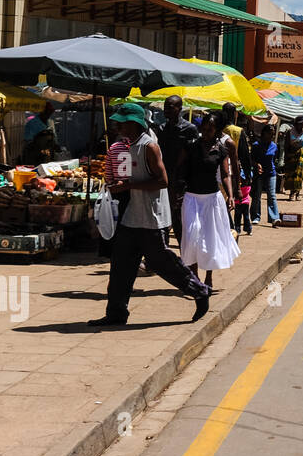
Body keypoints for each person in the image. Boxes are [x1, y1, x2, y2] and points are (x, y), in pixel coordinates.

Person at [91, 103, 210, 326]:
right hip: (130, 217)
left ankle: (199, 291)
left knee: (162, 261)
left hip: (151, 217)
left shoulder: (149, 146)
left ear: (134, 124)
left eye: (123, 122)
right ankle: (116, 312)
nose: (118, 125)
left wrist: (127, 187)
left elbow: (162, 181)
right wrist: (119, 185)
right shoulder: (126, 146)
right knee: (120, 266)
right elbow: (128, 177)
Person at [179, 114, 239, 291]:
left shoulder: (220, 150)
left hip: (212, 200)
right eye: (203, 129)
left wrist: (231, 195)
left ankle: (208, 277)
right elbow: (179, 169)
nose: (205, 133)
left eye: (209, 130)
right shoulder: (190, 147)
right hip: (191, 199)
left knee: (210, 239)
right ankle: (195, 277)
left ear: (216, 131)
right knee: (191, 237)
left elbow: (226, 174)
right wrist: (177, 191)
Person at [157, 95, 198, 246]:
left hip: (182, 183)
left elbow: (194, 157)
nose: (166, 109)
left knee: (180, 222)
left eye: (170, 106)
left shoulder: (190, 129)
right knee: (163, 221)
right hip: (164, 180)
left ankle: (186, 259)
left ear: (180, 109)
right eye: (165, 106)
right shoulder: (161, 129)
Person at [250, 122, 280, 226]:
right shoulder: (256, 145)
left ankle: (274, 218)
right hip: (259, 174)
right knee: (257, 195)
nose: (271, 135)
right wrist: (257, 164)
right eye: (270, 133)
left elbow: (274, 158)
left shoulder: (274, 146)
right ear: (264, 133)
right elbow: (251, 159)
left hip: (271, 173)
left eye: (273, 133)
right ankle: (255, 216)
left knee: (271, 195)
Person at [282, 116, 303, 201]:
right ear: (298, 123)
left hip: (301, 155)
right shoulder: (290, 132)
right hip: (291, 155)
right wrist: (285, 157)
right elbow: (286, 146)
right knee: (291, 175)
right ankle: (292, 192)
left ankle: (297, 193)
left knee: (299, 174)